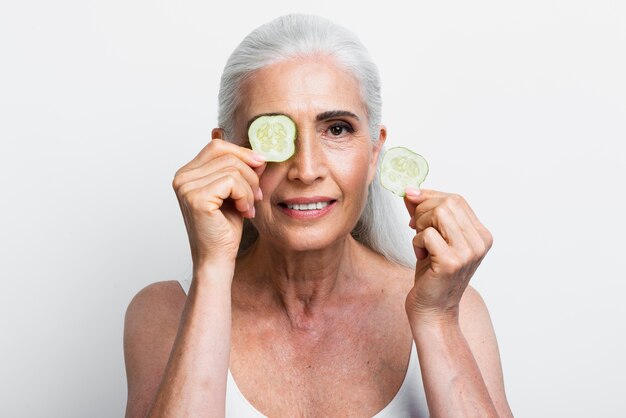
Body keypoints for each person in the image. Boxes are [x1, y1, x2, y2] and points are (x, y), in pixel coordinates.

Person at [123, 13, 513, 418]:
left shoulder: (456, 309)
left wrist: (437, 320)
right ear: (224, 154)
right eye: (272, 132)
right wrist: (212, 268)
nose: (306, 170)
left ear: (375, 151)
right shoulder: (164, 312)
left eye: (338, 130)